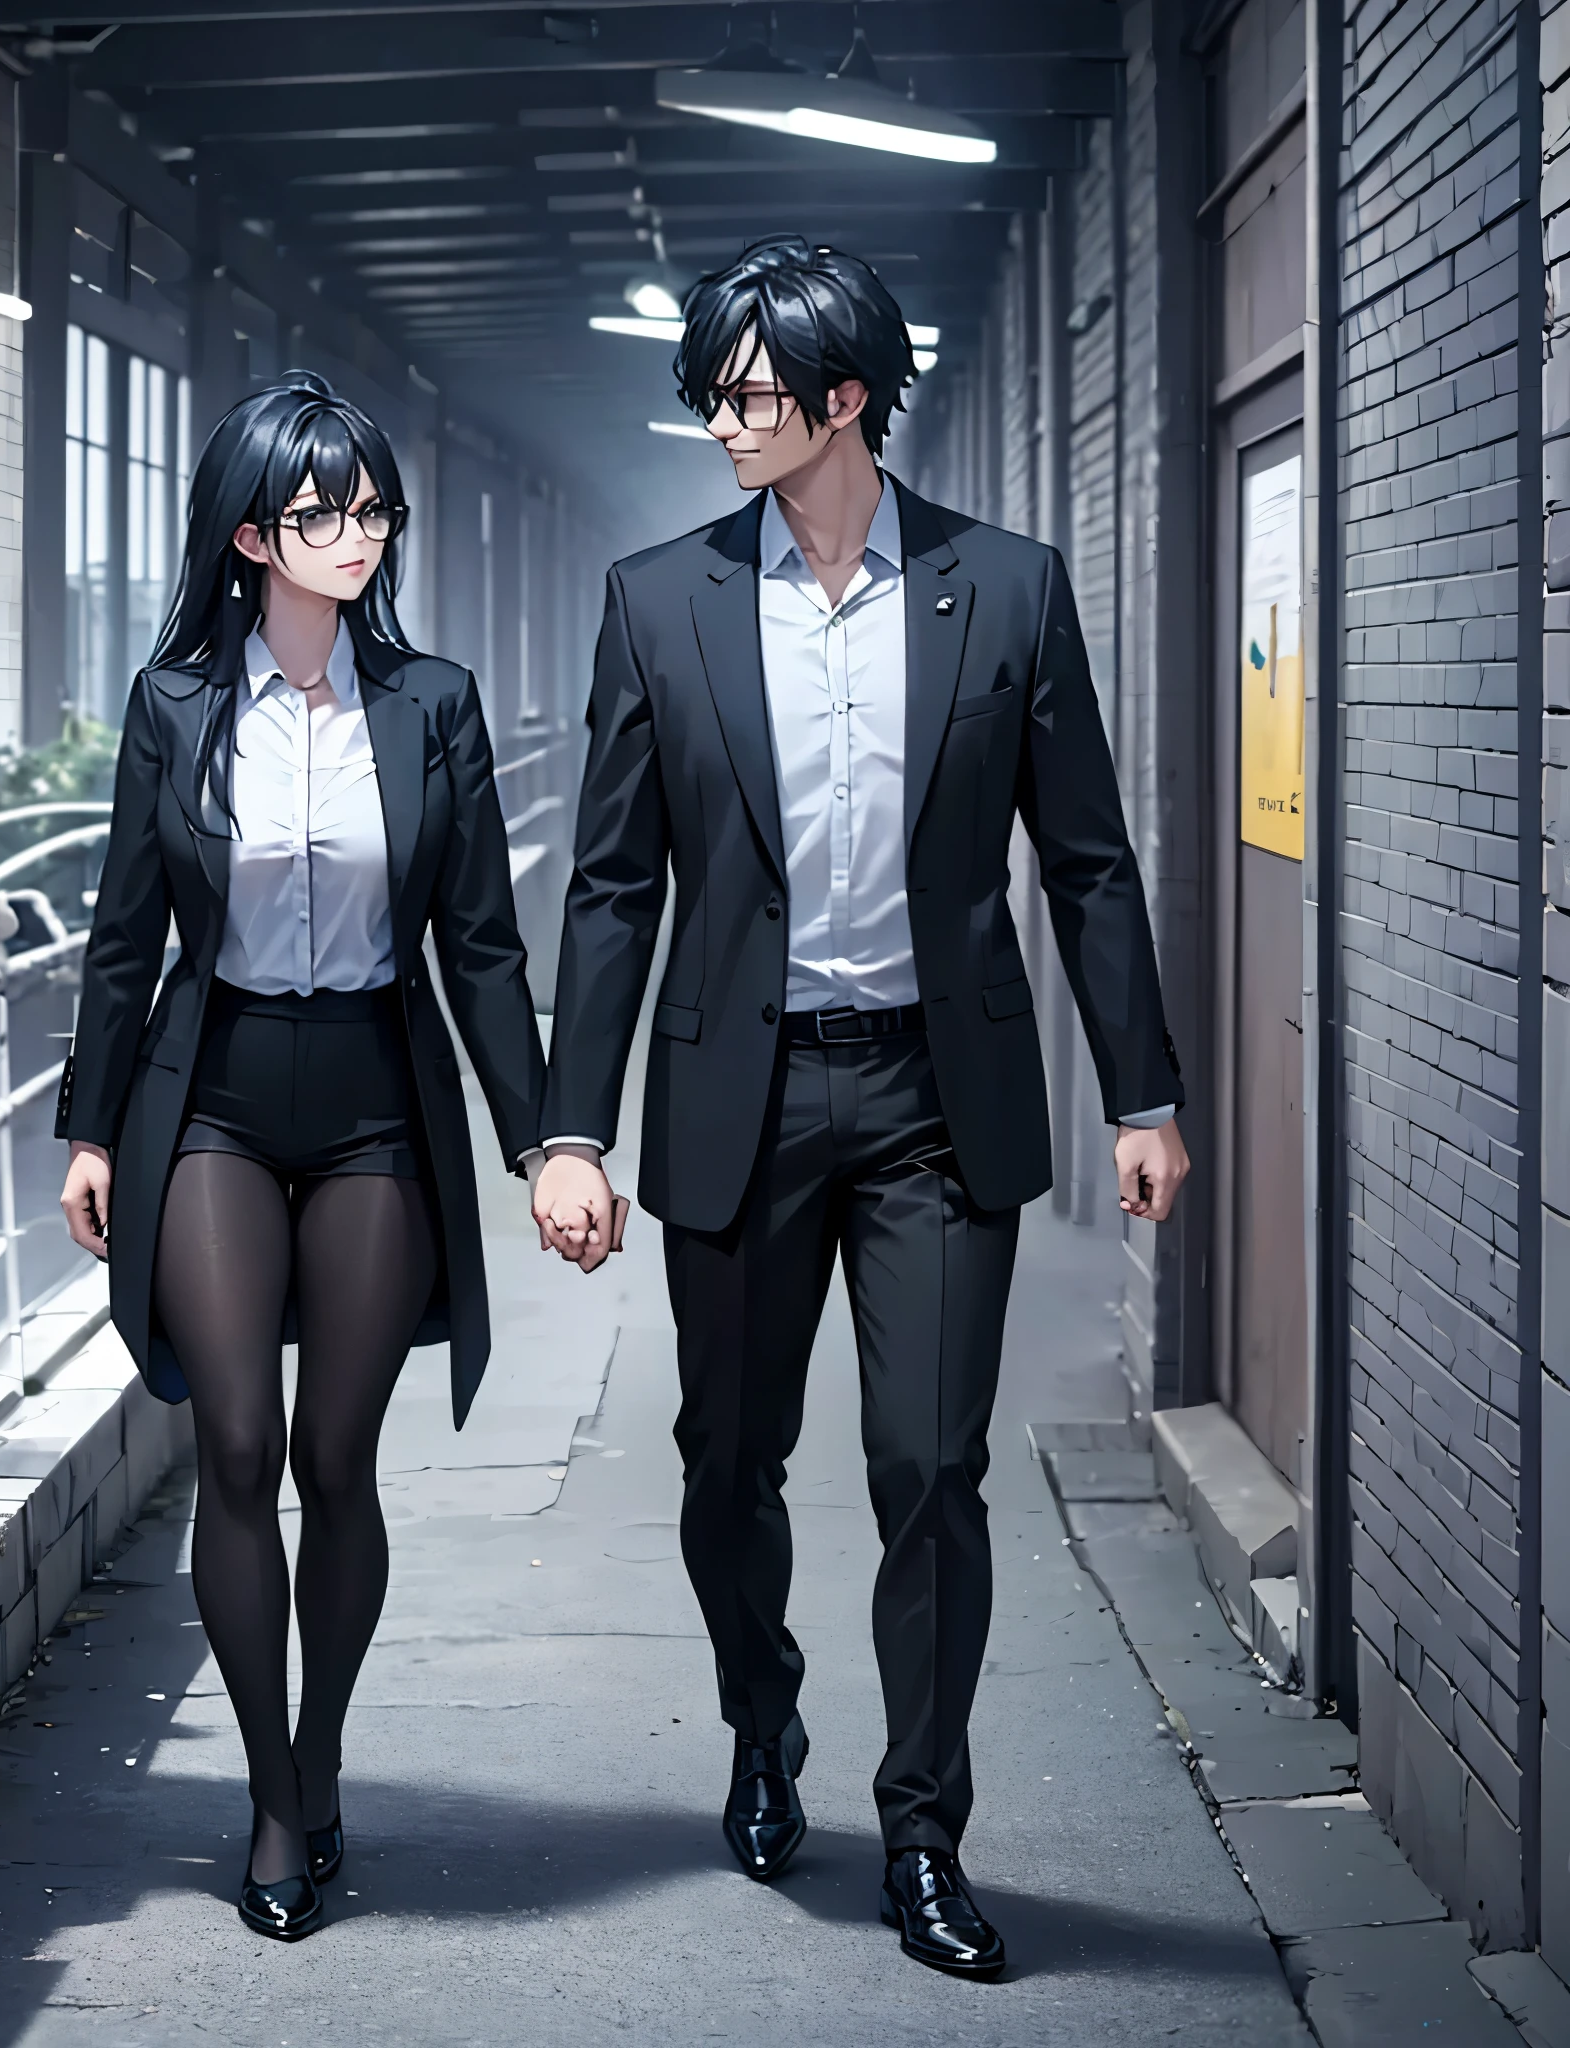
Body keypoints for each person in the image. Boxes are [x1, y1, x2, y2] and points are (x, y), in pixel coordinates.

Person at [531, 236, 1190, 1980]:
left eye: (747, 395)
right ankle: (765, 1727)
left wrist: (1144, 1091)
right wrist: (571, 1129)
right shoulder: (659, 599)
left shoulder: (1008, 588)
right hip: (733, 1099)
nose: (721, 422)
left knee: (930, 1469)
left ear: (844, 403)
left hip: (928, 1096)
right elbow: (612, 888)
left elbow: (1090, 861)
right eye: (710, 394)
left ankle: (922, 1831)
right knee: (725, 1464)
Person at [56, 372, 545, 1943]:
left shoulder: (434, 705)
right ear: (256, 535)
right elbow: (125, 937)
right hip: (212, 1101)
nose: (357, 534)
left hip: (376, 1108)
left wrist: (547, 1140)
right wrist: (87, 1123)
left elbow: (481, 949)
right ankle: (271, 1794)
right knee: (238, 1452)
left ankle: (320, 1747)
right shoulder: (177, 707)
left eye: (372, 507)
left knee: (341, 1461)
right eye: (324, 511)